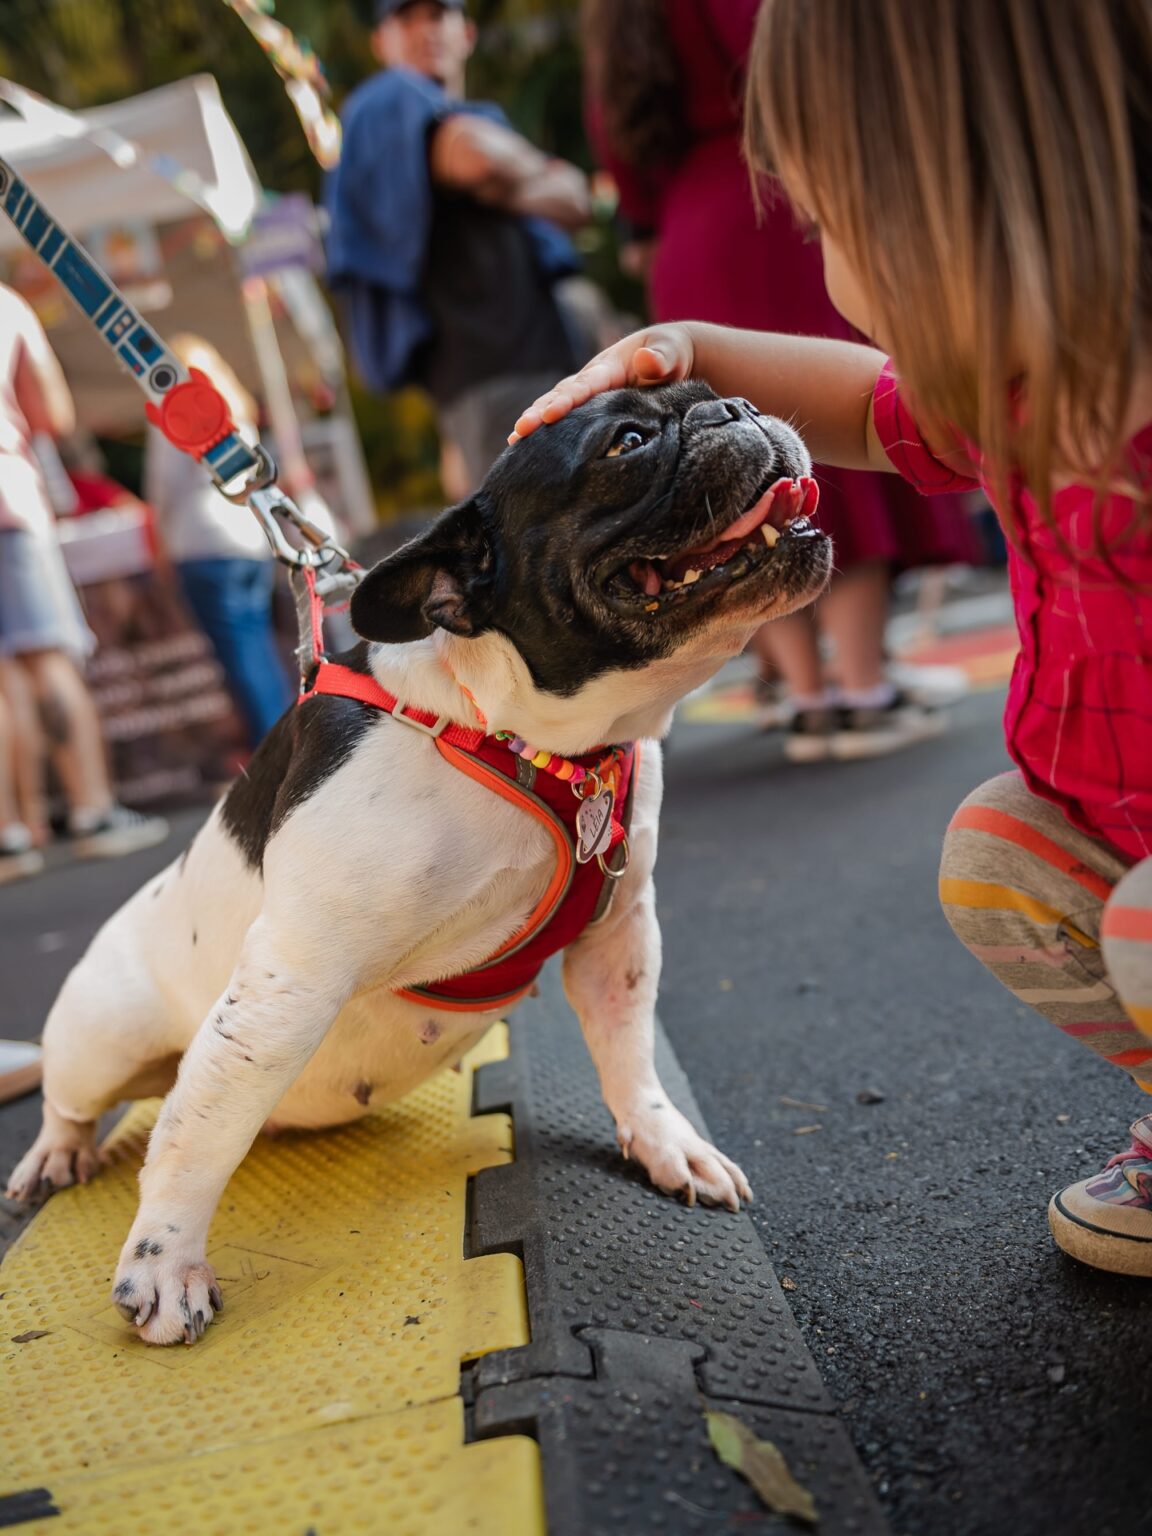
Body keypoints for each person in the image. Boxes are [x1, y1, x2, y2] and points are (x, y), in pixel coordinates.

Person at [511, 0, 1152, 1277]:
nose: (824, 263)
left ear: (942, 204)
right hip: (1122, 830)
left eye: (826, 224)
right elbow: (866, 401)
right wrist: (689, 353)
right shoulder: (1024, 388)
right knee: (998, 853)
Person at [581, 0, 980, 763]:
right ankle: (864, 685)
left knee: (734, 471)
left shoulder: (616, 21)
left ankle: (807, 696)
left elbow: (620, 150)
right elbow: (791, 64)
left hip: (685, 233)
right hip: (767, 204)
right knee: (824, 446)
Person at [324, 0, 593, 494]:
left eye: (438, 14)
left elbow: (577, 200)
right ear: (380, 42)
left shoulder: (474, 114)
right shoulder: (386, 100)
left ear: (466, 32)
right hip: (492, 380)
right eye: (406, 18)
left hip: (547, 364)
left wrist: (502, 180)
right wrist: (529, 174)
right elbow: (476, 157)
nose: (426, 30)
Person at [0, 282, 168, 870]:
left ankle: (11, 832)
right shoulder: (6, 305)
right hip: (9, 503)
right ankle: (92, 809)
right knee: (49, 656)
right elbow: (52, 413)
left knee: (3, 674)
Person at [143, 335, 294, 750]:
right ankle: (293, 742)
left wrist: (158, 546)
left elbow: (163, 488)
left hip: (204, 544)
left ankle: (277, 752)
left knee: (242, 660)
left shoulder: (178, 411)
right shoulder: (236, 412)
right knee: (261, 651)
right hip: (248, 540)